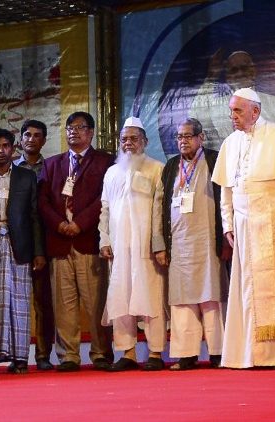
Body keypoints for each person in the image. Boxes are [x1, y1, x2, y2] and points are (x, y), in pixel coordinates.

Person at [211, 88, 275, 369]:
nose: (233, 116)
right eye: (231, 111)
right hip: (243, 225)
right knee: (246, 287)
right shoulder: (230, 142)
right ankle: (248, 353)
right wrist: (227, 224)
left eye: (238, 111)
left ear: (256, 111)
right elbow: (227, 190)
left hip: (272, 221)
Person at [38, 111, 114, 371]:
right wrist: (59, 224)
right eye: (70, 128)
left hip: (89, 240)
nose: (74, 132)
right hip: (60, 243)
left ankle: (101, 353)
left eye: (80, 128)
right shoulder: (52, 164)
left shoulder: (105, 162)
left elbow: (104, 199)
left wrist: (79, 223)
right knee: (64, 303)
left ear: (91, 132)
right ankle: (68, 355)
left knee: (96, 302)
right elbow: (43, 201)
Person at [0, 129, 45, 375]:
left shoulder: (26, 177)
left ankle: (20, 358)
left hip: (20, 246)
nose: (1, 151)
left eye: (6, 146)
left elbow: (34, 216)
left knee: (20, 301)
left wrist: (38, 252)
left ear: (13, 149)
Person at [98, 117, 166, 372]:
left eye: (134, 138)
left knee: (151, 298)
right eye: (124, 139)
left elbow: (160, 209)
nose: (128, 143)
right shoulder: (112, 172)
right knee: (121, 297)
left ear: (144, 142)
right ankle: (127, 353)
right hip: (119, 248)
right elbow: (104, 209)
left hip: (146, 248)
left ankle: (156, 352)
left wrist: (158, 244)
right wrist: (104, 239)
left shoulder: (156, 168)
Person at [162, 118, 224, 370]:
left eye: (188, 136)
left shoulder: (214, 159)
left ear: (201, 138)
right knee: (181, 299)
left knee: (212, 297)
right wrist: (160, 245)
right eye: (179, 137)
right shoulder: (170, 166)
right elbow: (160, 206)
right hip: (179, 244)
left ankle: (219, 353)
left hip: (208, 241)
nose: (183, 141)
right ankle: (186, 355)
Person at [14, 119, 55, 370]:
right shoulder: (10, 168)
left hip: (45, 242)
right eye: (27, 134)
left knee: (43, 302)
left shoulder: (50, 168)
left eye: (37, 135)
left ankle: (42, 355)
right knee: (15, 300)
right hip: (16, 241)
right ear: (20, 139)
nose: (31, 139)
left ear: (44, 141)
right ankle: (16, 355)